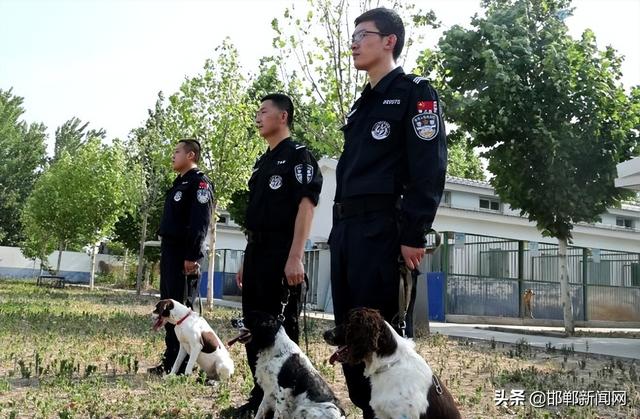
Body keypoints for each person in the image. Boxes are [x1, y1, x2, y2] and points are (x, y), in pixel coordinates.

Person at [329, 7, 447, 418]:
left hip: (382, 230)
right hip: (346, 230)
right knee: (350, 330)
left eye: (363, 34)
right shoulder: (362, 105)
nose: (355, 43)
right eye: (353, 35)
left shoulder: (416, 92)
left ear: (389, 41)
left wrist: (414, 232)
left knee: (382, 334)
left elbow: (428, 168)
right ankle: (368, 410)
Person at [234, 93, 323, 416]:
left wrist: (296, 255)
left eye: (263, 111)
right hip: (257, 251)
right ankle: (261, 397)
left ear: (282, 117)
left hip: (282, 251)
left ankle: (292, 401)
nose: (258, 117)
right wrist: (247, 258)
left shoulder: (299, 157)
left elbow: (306, 206)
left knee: (281, 331)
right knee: (253, 327)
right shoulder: (263, 161)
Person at [148, 139, 214, 375]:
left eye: (177, 151)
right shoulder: (180, 183)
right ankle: (171, 360)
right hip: (171, 251)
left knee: (182, 309)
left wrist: (192, 255)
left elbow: (200, 222)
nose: (172, 155)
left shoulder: (199, 184)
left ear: (191, 155)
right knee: (168, 308)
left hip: (185, 253)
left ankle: (187, 363)